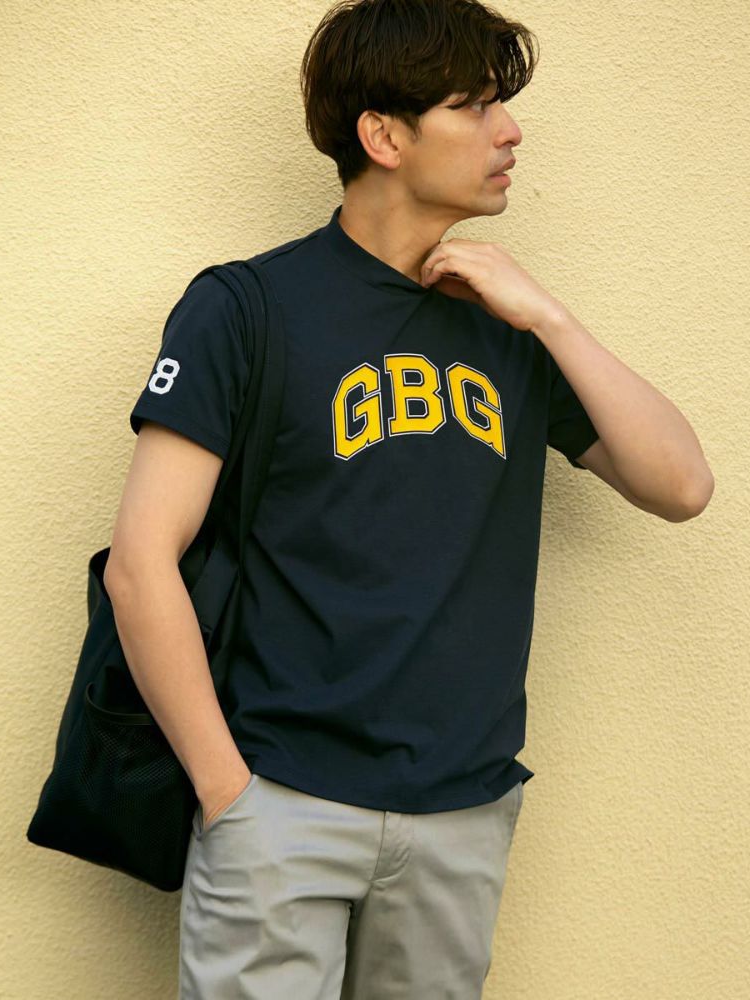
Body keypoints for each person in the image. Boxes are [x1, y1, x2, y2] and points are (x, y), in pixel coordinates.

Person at [104, 1, 715, 997]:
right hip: (281, 802)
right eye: (474, 106)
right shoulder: (248, 308)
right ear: (384, 137)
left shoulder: (508, 325)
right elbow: (140, 563)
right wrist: (231, 795)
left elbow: (681, 485)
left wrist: (549, 318)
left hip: (460, 812)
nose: (509, 132)